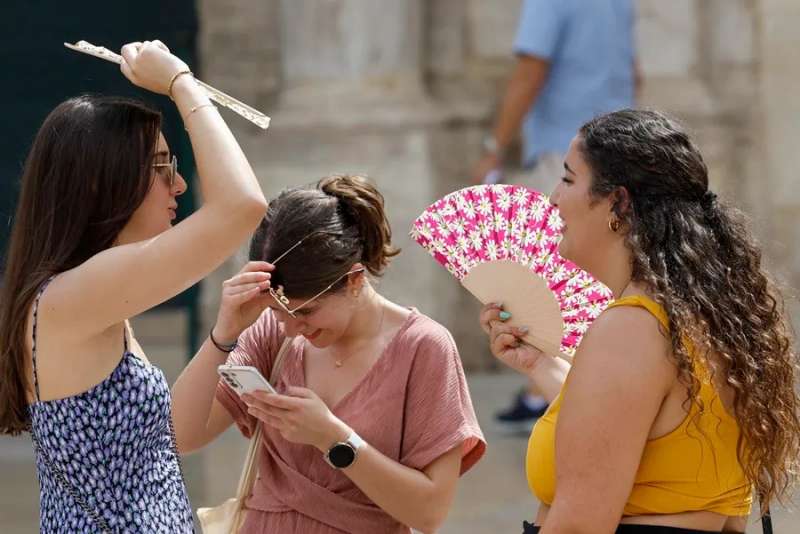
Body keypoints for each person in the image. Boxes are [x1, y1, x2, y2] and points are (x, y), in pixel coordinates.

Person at [480, 109, 800, 533]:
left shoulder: (630, 328)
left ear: (619, 202)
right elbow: (641, 428)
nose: (553, 198)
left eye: (569, 179)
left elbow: (580, 525)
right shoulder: (703, 316)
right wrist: (541, 364)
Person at [0, 41, 267, 532]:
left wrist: (225, 337)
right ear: (103, 181)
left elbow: (167, 439)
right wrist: (180, 82)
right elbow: (243, 205)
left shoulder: (84, 292)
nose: (180, 186)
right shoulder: (79, 292)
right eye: (162, 167)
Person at [172, 174, 486, 533]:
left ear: (354, 280)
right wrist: (223, 334)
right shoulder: (272, 334)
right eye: (278, 311)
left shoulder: (423, 347)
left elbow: (429, 513)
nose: (292, 328)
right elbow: (180, 435)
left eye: (305, 312)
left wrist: (332, 438)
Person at [472, 0, 640, 430]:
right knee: (605, 273)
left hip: (568, 151)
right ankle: (569, 387)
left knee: (557, 272)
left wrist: (494, 147)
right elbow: (633, 73)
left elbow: (531, 72)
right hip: (618, 148)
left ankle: (545, 393)